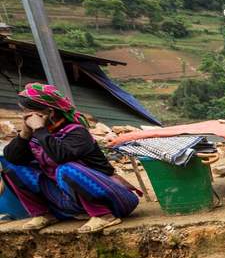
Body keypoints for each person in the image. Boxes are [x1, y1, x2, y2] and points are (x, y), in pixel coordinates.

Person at [1, 83, 138, 233]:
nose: (26, 116)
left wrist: (40, 129)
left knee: (66, 168)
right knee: (11, 165)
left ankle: (104, 216)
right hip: (69, 202)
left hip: (112, 198)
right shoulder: (36, 135)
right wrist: (25, 134)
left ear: (50, 113)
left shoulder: (77, 132)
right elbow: (12, 157)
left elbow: (61, 156)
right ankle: (44, 214)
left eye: (29, 112)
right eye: (24, 112)